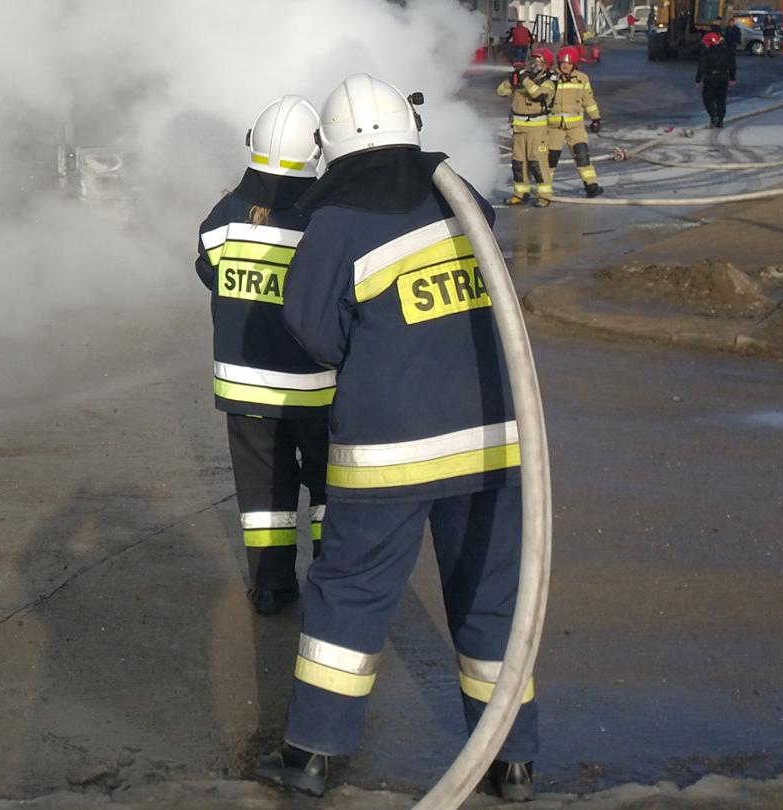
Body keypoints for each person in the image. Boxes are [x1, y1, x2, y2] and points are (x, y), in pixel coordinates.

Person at [251, 74, 538, 802]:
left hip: (389, 454)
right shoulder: (461, 197)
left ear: (334, 147)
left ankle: (312, 756)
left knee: (350, 594)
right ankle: (511, 761)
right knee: (492, 596)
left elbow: (314, 332)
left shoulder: (338, 222)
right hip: (495, 439)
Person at [194, 96, 332, 616]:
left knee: (263, 492)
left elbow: (207, 268)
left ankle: (272, 588)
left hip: (245, 387)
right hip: (316, 388)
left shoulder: (225, 214)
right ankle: (331, 582)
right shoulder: (323, 218)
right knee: (328, 486)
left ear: (253, 145)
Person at [545, 46, 605, 198]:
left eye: (569, 63)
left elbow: (588, 100)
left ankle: (591, 185)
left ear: (575, 64)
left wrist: (596, 118)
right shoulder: (551, 79)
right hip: (554, 127)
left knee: (582, 156)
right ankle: (544, 189)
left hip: (575, 127)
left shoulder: (582, 79)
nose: (565, 65)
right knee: (550, 159)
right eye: (562, 62)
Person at [496, 48, 553, 206]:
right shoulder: (523, 79)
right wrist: (511, 79)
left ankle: (544, 196)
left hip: (537, 131)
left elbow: (538, 95)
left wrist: (524, 79)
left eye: (538, 62)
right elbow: (501, 92)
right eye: (532, 61)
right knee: (518, 164)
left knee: (538, 164)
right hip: (519, 130)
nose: (533, 65)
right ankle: (520, 194)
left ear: (546, 65)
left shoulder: (549, 82)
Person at [697, 30, 738, 127]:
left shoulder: (706, 52)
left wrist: (698, 79)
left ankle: (713, 116)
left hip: (710, 77)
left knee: (708, 99)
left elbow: (702, 66)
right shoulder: (726, 51)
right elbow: (732, 65)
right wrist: (732, 78)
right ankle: (720, 120)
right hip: (723, 77)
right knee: (721, 100)